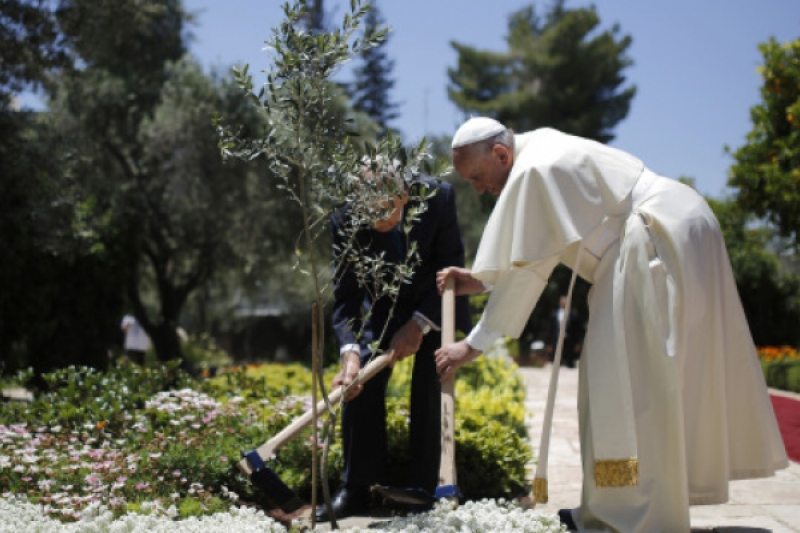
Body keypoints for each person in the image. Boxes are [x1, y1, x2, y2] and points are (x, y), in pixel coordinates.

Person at [434, 117, 788, 532]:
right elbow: (536, 252)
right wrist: (479, 280)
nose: (479, 189)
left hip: (653, 238)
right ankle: (628, 510)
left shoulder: (532, 169)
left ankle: (635, 518)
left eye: (478, 177)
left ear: (500, 154)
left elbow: (526, 269)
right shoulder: (540, 148)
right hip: (679, 226)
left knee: (632, 384)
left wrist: (471, 346)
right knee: (647, 380)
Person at [317, 164, 472, 521]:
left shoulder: (437, 198)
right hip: (384, 306)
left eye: (381, 211)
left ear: (403, 196)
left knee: (432, 378)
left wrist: (418, 324)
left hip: (437, 299)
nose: (372, 220)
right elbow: (347, 296)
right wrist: (350, 354)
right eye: (365, 211)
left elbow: (451, 269)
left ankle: (424, 487)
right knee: (360, 384)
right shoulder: (344, 219)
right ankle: (358, 488)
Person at [547, 296, 582, 368]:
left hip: (570, 342)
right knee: (556, 363)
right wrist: (549, 343)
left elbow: (578, 330)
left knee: (570, 363)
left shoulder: (574, 314)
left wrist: (578, 343)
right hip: (557, 340)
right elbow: (550, 329)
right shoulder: (554, 314)